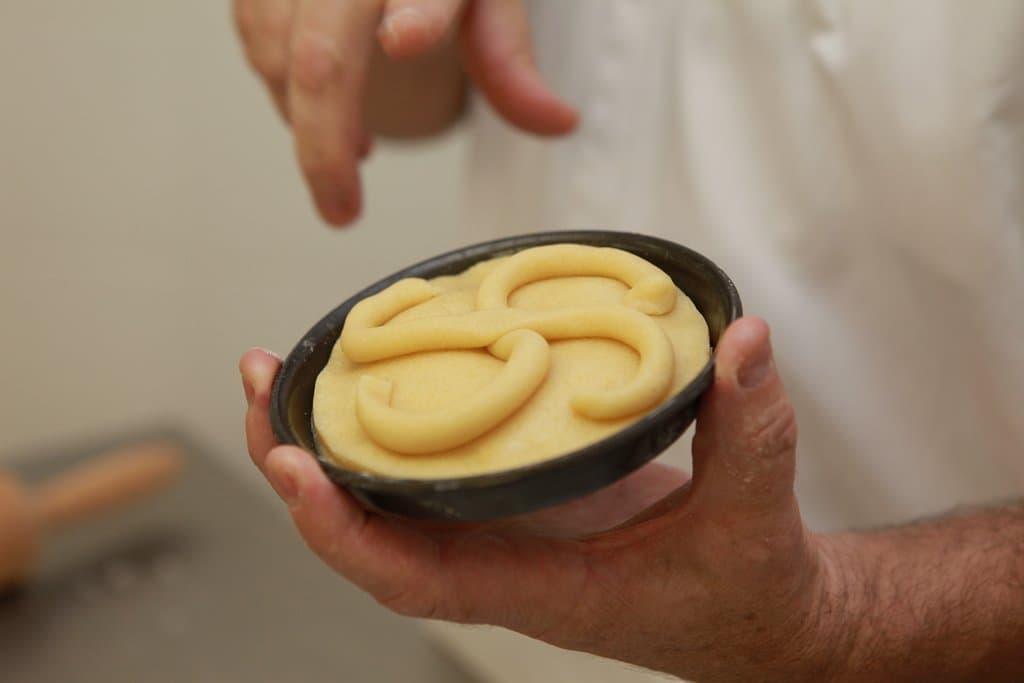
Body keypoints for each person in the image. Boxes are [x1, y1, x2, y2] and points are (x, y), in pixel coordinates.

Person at [234, 1, 1024, 680]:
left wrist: (840, 619)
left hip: (919, 636)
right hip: (486, 619)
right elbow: (420, 88)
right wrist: (368, 34)